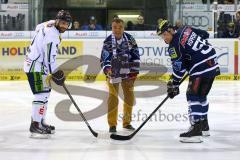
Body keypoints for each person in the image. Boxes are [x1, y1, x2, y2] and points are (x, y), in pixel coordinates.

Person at [157, 20, 220, 143]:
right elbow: (204, 35)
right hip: (212, 63)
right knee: (201, 96)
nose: (164, 38)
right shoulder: (186, 29)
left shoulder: (174, 46)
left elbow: (179, 69)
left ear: (170, 30)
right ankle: (204, 126)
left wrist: (173, 84)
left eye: (164, 34)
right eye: (161, 36)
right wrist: (192, 53)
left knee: (192, 95)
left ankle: (196, 130)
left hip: (201, 68)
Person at [23, 10, 71, 138]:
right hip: (35, 67)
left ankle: (41, 121)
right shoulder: (53, 36)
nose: (64, 26)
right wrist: (55, 74)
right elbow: (49, 59)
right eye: (62, 23)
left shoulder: (48, 24)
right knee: (41, 95)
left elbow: (38, 27)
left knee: (45, 94)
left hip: (39, 66)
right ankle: (35, 124)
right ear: (57, 21)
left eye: (66, 24)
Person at [100, 18, 140, 133]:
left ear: (124, 28)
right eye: (114, 27)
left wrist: (134, 72)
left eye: (120, 27)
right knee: (113, 98)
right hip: (113, 73)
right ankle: (112, 125)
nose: (117, 30)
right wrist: (108, 70)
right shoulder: (108, 41)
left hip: (128, 73)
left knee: (129, 98)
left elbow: (136, 55)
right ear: (111, 28)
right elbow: (104, 58)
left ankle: (127, 123)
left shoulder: (130, 39)